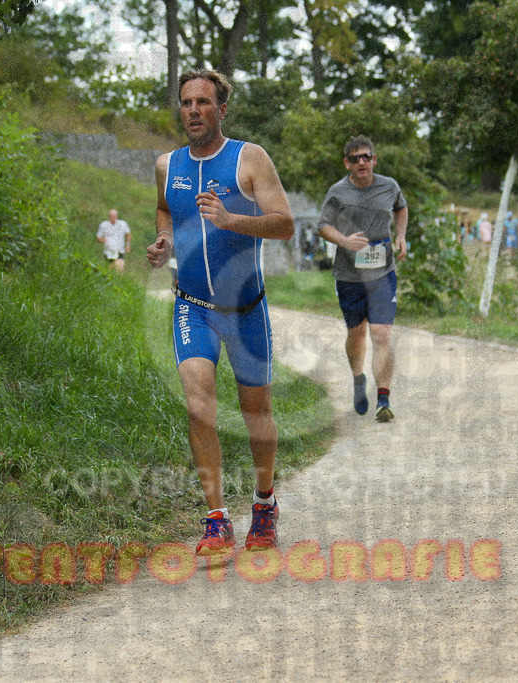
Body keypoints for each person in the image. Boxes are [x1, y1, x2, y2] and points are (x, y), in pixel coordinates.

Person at [146, 69, 294, 557]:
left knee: (256, 415)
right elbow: (167, 211)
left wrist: (233, 219)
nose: (192, 110)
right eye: (186, 102)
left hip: (245, 308)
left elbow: (285, 225)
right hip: (193, 306)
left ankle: (264, 504)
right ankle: (216, 521)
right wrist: (164, 242)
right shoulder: (167, 164)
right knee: (198, 403)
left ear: (221, 110)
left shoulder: (249, 159)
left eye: (203, 102)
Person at [317, 135, 408, 423]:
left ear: (374, 159)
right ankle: (359, 379)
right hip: (349, 275)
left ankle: (384, 398)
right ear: (347, 163)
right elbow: (322, 225)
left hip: (382, 271)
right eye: (355, 158)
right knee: (356, 335)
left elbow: (400, 208)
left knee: (381, 334)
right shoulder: (337, 191)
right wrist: (344, 240)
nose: (361, 162)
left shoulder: (389, 186)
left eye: (366, 156)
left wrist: (401, 237)